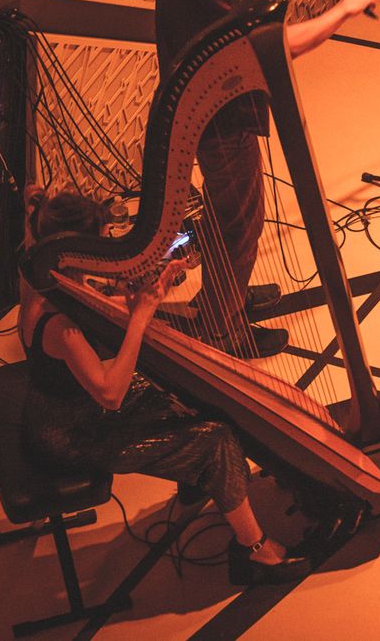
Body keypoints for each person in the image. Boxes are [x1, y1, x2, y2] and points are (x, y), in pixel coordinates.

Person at [19, 187, 311, 584]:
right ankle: (253, 551)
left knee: (189, 394)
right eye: (100, 247)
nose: (106, 255)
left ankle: (200, 480)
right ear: (75, 252)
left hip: (63, 408)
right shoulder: (59, 325)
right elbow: (110, 394)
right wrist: (141, 316)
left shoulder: (44, 278)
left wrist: (149, 296)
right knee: (216, 438)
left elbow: (97, 304)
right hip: (74, 435)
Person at [154, 0, 377, 359]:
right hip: (217, 114)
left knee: (230, 213)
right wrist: (344, 9)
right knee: (240, 220)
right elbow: (283, 43)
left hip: (213, 101)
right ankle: (223, 329)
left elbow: (229, 2)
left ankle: (223, 295)